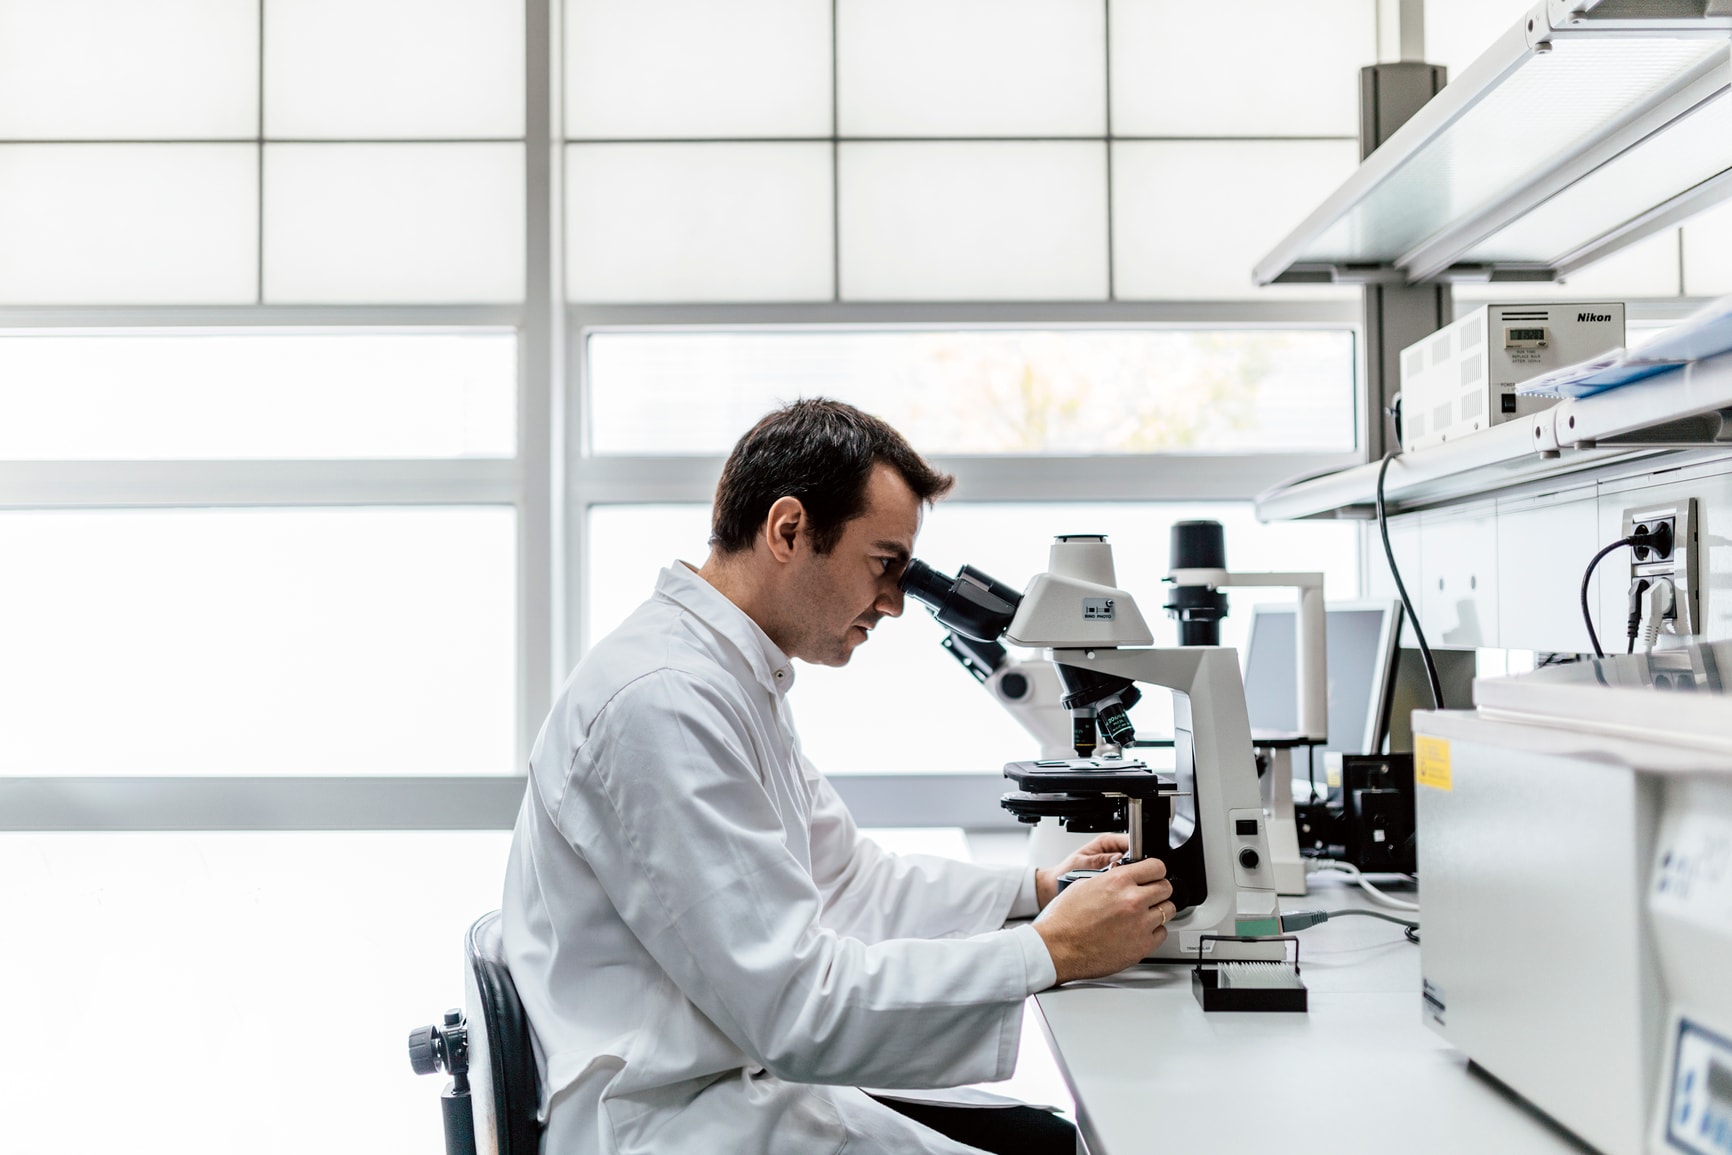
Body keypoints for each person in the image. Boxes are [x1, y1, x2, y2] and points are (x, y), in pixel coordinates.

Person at [502, 399, 1177, 1155]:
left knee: (1044, 1139)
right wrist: (1049, 951)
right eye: (885, 563)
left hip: (741, 1082)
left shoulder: (730, 676)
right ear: (788, 530)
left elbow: (852, 882)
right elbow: (797, 1005)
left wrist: (1038, 894)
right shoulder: (663, 700)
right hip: (680, 1122)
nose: (893, 602)